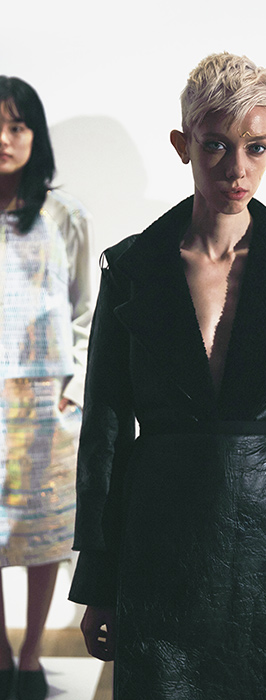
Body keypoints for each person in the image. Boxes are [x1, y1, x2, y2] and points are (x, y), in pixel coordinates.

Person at [69, 52, 266, 700]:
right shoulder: (132, 270)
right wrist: (96, 580)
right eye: (215, 145)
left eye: (254, 147)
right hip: (158, 533)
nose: (236, 168)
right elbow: (104, 434)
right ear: (183, 145)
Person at [0, 76, 94, 700]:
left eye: (17, 126)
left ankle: (30, 655)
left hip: (44, 402)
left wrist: (73, 389)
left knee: (44, 537)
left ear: (35, 134)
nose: (4, 139)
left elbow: (87, 310)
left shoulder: (65, 216)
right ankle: (0, 652)